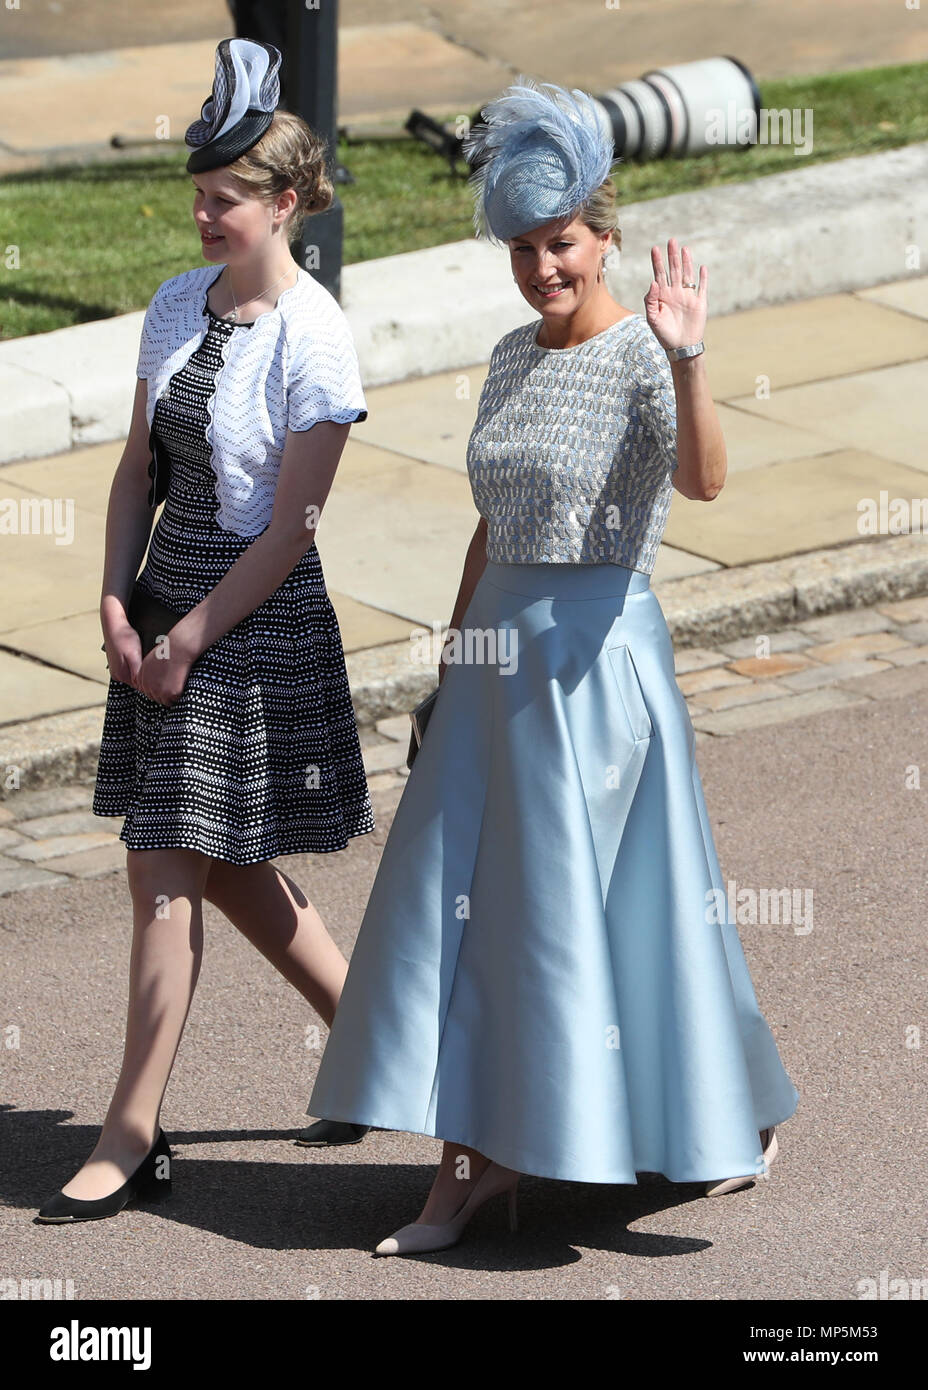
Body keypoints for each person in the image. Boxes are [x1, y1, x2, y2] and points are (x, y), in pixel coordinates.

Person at [303, 77, 800, 1256]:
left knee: (613, 917)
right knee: (466, 918)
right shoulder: (508, 354)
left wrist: (688, 360)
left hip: (596, 674)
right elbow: (490, 524)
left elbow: (706, 483)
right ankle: (471, 1164)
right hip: (495, 668)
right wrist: (445, 663)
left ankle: (706, 1116)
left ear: (604, 234)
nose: (542, 269)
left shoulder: (641, 355)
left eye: (562, 244)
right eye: (523, 249)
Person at [36, 37, 372, 1224]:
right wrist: (118, 597)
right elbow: (138, 467)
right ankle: (374, 1037)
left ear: (283, 203)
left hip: (254, 619)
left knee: (162, 868)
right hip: (167, 599)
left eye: (223, 199)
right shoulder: (178, 304)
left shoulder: (317, 336)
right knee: (216, 864)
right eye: (198, 195)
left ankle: (130, 1133)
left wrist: (190, 638)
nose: (201, 214)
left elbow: (292, 528)